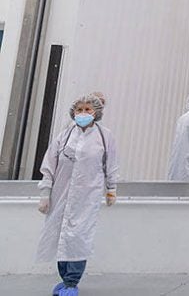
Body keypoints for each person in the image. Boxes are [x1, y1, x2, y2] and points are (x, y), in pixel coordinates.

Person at [37, 94, 118, 296]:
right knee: (60, 235)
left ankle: (72, 282)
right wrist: (45, 193)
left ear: (96, 112)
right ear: (73, 112)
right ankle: (65, 279)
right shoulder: (64, 135)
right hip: (61, 195)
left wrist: (111, 189)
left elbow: (111, 164)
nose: (82, 113)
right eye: (79, 109)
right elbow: (49, 165)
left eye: (87, 110)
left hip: (86, 197)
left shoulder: (104, 136)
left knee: (78, 238)